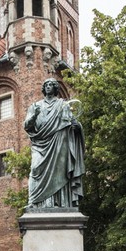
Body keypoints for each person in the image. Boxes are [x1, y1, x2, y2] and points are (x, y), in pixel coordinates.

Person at [24, 77, 85, 209]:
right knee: (35, 168)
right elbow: (27, 126)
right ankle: (34, 201)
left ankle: (60, 203)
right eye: (46, 85)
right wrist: (34, 116)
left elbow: (71, 122)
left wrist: (77, 127)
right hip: (40, 144)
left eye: (51, 84)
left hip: (60, 141)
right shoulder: (35, 106)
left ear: (56, 88)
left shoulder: (63, 105)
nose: (48, 86)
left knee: (60, 172)